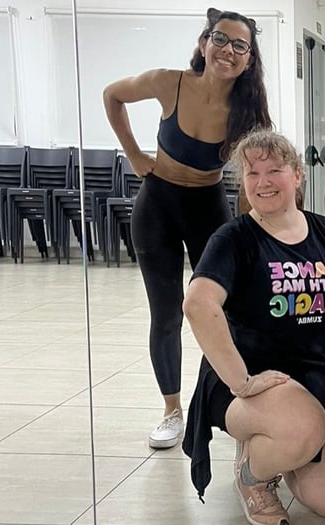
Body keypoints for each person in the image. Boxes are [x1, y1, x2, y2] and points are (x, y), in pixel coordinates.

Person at [102, 9, 272, 449]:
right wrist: (133, 153)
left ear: (249, 60)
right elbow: (112, 95)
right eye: (220, 39)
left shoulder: (249, 110)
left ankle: (232, 401)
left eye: (240, 45)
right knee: (167, 314)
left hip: (208, 208)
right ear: (204, 43)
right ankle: (172, 410)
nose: (228, 51)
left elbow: (257, 169)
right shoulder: (169, 83)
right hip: (157, 205)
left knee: (229, 312)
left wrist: (256, 227)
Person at [182, 130, 325, 525]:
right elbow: (198, 304)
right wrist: (241, 382)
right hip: (252, 381)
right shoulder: (234, 239)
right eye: (252, 173)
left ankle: (278, 444)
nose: (263, 182)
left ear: (297, 175)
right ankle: (253, 475)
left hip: (313, 379)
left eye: (274, 170)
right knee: (302, 427)